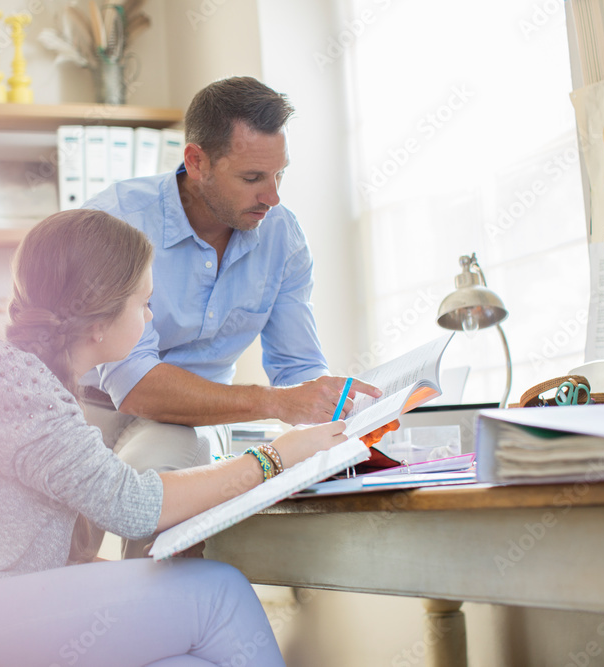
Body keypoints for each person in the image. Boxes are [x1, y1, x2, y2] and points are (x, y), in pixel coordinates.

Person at [0, 209, 350, 666]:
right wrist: (274, 457)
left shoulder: (31, 379)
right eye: (143, 303)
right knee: (220, 594)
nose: (150, 317)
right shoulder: (7, 378)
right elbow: (132, 506)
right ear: (99, 321)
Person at [80, 76, 392, 481]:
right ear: (196, 162)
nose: (272, 197)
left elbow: (297, 367)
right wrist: (276, 402)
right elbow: (135, 385)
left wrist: (339, 415)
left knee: (160, 465)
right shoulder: (117, 222)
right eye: (252, 178)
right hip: (91, 409)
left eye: (279, 175)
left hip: (197, 421)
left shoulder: (282, 237)